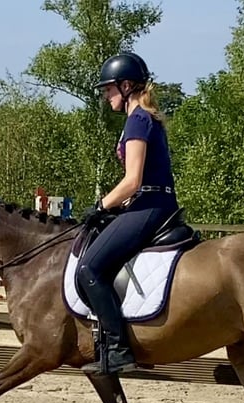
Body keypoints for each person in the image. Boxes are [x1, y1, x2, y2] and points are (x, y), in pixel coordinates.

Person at [76, 52, 180, 375]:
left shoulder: (138, 120)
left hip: (150, 207)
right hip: (149, 204)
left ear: (126, 86)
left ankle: (118, 349)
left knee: (90, 269)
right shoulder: (144, 118)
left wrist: (100, 206)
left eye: (109, 89)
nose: (106, 96)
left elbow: (133, 181)